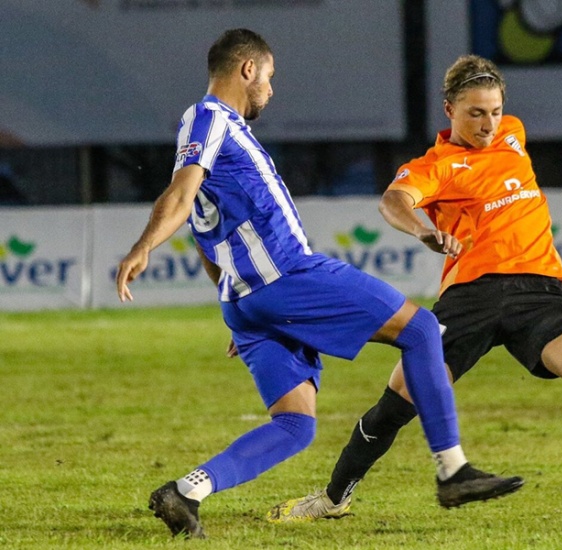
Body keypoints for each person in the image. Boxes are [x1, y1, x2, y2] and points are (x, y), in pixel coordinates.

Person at [115, 32, 523, 539]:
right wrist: (144, 246)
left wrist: (237, 301)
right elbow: (179, 196)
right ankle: (452, 470)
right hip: (288, 275)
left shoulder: (209, 134)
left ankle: (187, 491)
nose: (271, 88)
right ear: (246, 70)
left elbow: (204, 228)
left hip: (247, 300)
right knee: (421, 330)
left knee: (295, 425)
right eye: (269, 76)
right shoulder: (210, 118)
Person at [267, 54, 562, 522]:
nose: (488, 123)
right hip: (473, 294)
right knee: (397, 403)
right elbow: (393, 201)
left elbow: (500, 135)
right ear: (449, 109)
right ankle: (332, 499)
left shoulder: (513, 132)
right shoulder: (437, 166)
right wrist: (423, 231)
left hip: (539, 291)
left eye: (494, 110)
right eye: (475, 113)